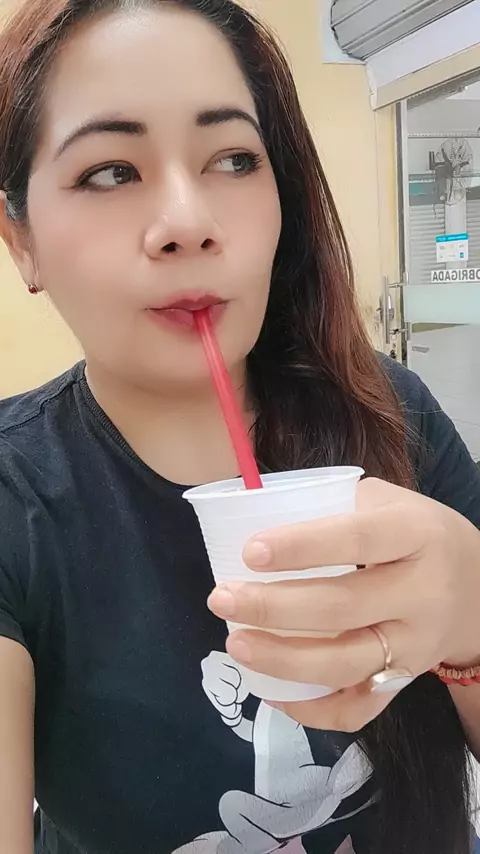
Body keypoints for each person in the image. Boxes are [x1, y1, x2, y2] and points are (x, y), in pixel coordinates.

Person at [0, 1, 479, 852]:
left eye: (232, 158)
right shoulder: (16, 496)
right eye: (109, 171)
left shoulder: (394, 413)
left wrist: (471, 618)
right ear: (20, 239)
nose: (188, 223)